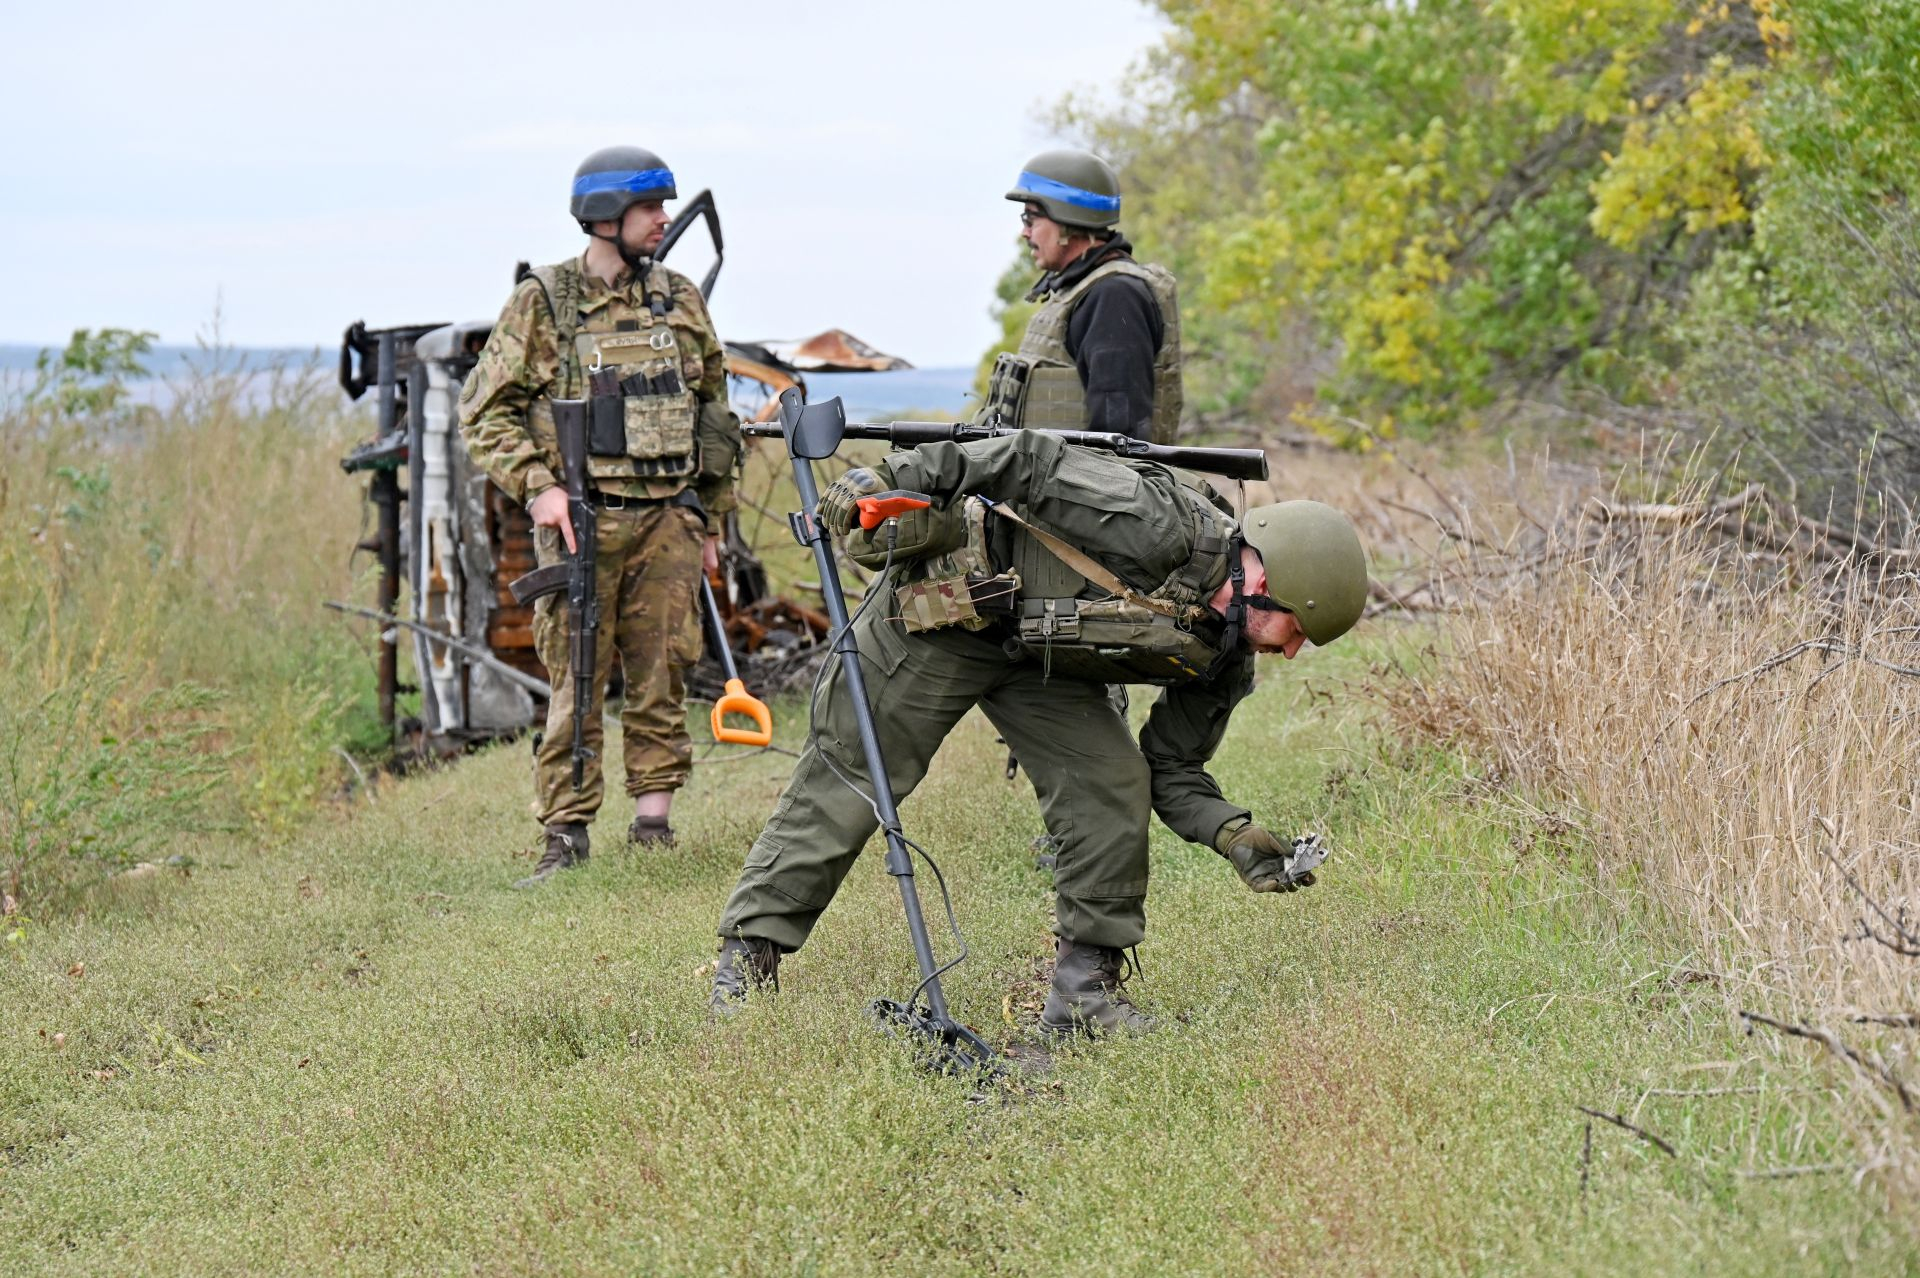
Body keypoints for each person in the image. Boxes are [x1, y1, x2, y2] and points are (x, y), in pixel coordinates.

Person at [708, 430, 1367, 1035]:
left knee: (1111, 785)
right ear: (1263, 583)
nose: (1290, 654)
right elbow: (1025, 458)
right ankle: (745, 969)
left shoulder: (1225, 654)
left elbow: (1173, 769)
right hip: (942, 615)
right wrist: (891, 476)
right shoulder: (1157, 524)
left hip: (1042, 658)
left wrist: (1234, 835)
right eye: (1297, 631)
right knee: (854, 778)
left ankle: (1086, 998)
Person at [460, 145, 742, 887]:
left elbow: (714, 413)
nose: (664, 221)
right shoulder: (545, 301)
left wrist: (708, 520)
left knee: (664, 672)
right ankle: (566, 835)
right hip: (581, 522)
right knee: (576, 679)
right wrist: (537, 488)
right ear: (606, 216)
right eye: (652, 209)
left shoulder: (680, 298)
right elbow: (484, 413)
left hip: (666, 522)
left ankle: (654, 825)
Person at [978, 149, 1183, 444]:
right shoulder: (1079, 290)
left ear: (1065, 220)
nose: (1025, 232)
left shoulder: (1114, 296)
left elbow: (1119, 443)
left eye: (1031, 219)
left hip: (1091, 488)